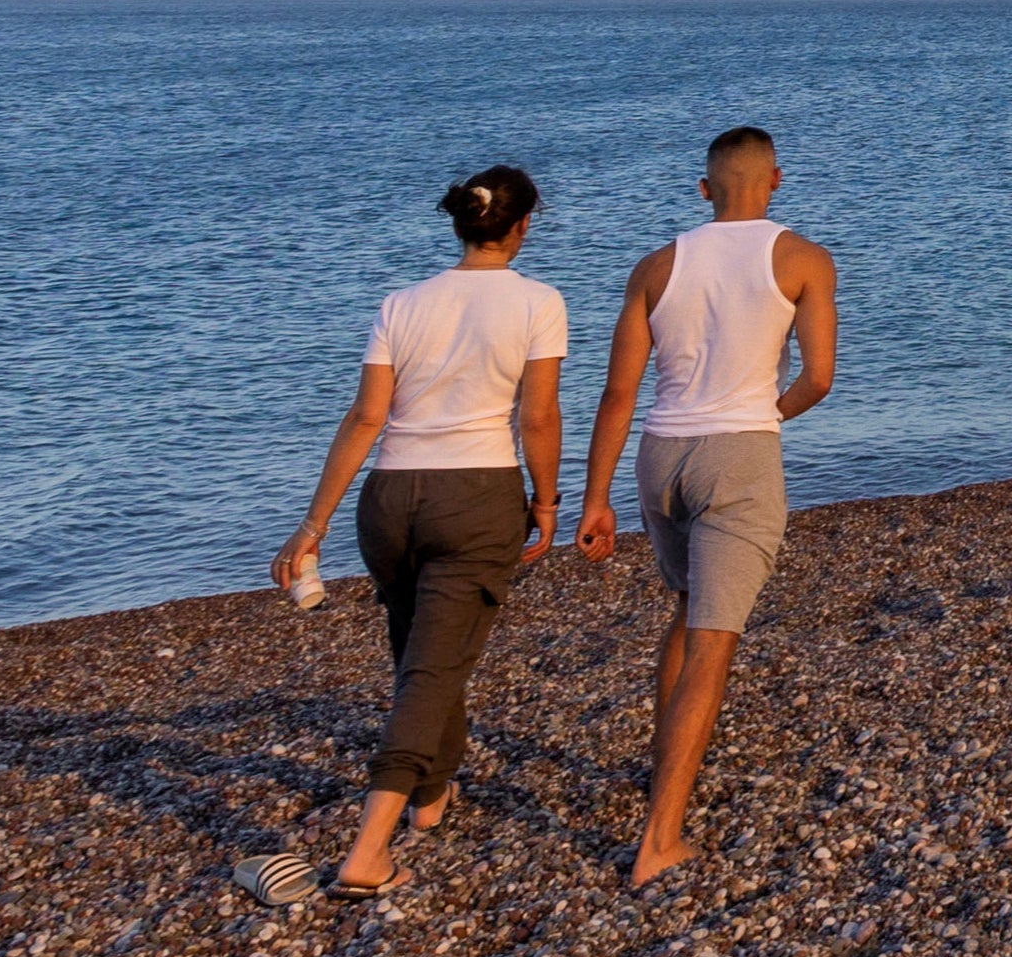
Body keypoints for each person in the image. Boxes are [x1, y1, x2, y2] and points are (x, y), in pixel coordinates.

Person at [271, 164, 565, 896]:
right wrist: (549, 499)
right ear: (523, 225)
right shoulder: (538, 302)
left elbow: (367, 418)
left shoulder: (401, 303)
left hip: (389, 499)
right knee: (431, 671)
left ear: (462, 223)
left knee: (428, 658)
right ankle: (368, 852)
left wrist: (312, 525)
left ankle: (431, 801)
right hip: (476, 494)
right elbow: (536, 416)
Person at [577, 124, 837, 888]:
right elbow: (819, 377)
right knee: (716, 639)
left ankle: (666, 772)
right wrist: (766, 416)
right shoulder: (801, 258)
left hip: (660, 456)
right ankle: (659, 838)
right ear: (776, 180)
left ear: (704, 189)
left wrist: (594, 500)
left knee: (688, 611)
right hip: (738, 454)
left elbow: (618, 391)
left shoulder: (657, 266)